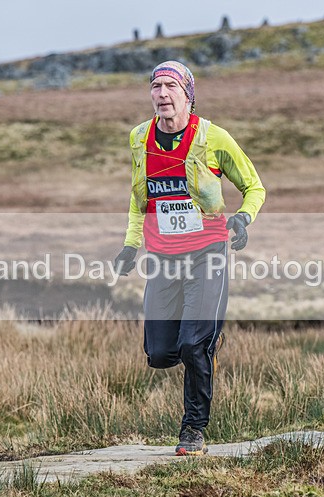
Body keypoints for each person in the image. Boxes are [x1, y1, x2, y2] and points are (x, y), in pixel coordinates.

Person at [114, 60, 265, 456]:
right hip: (163, 257)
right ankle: (205, 335)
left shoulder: (214, 138)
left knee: (192, 346)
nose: (162, 93)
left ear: (188, 95)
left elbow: (254, 187)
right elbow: (138, 200)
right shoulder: (139, 138)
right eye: (156, 86)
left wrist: (243, 218)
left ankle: (193, 431)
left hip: (207, 254)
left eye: (171, 87)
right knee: (161, 353)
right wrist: (130, 245)